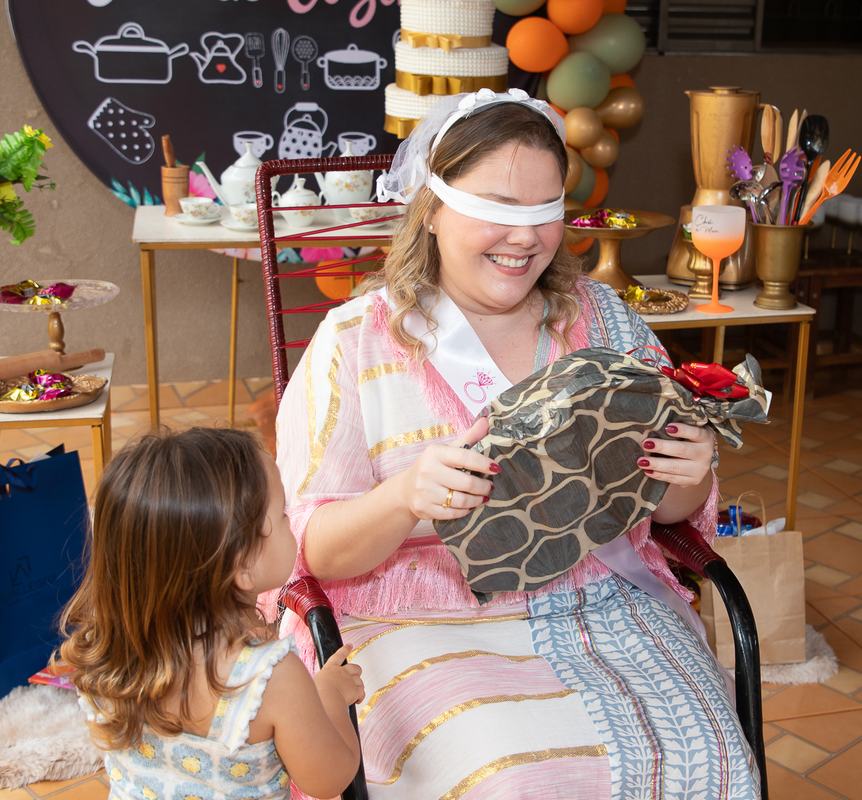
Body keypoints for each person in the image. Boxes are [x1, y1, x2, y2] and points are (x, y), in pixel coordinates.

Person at [266, 88, 760, 798]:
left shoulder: (603, 320)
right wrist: (404, 499)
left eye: (542, 210)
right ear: (431, 210)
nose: (524, 237)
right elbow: (312, 550)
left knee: (713, 758)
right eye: (496, 208)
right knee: (516, 781)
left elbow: (668, 510)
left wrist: (688, 470)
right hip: (418, 617)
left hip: (602, 598)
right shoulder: (353, 342)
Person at [58, 427, 365, 800]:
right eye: (283, 514)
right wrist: (328, 695)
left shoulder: (105, 649)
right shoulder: (270, 678)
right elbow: (330, 779)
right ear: (243, 566)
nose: (290, 521)